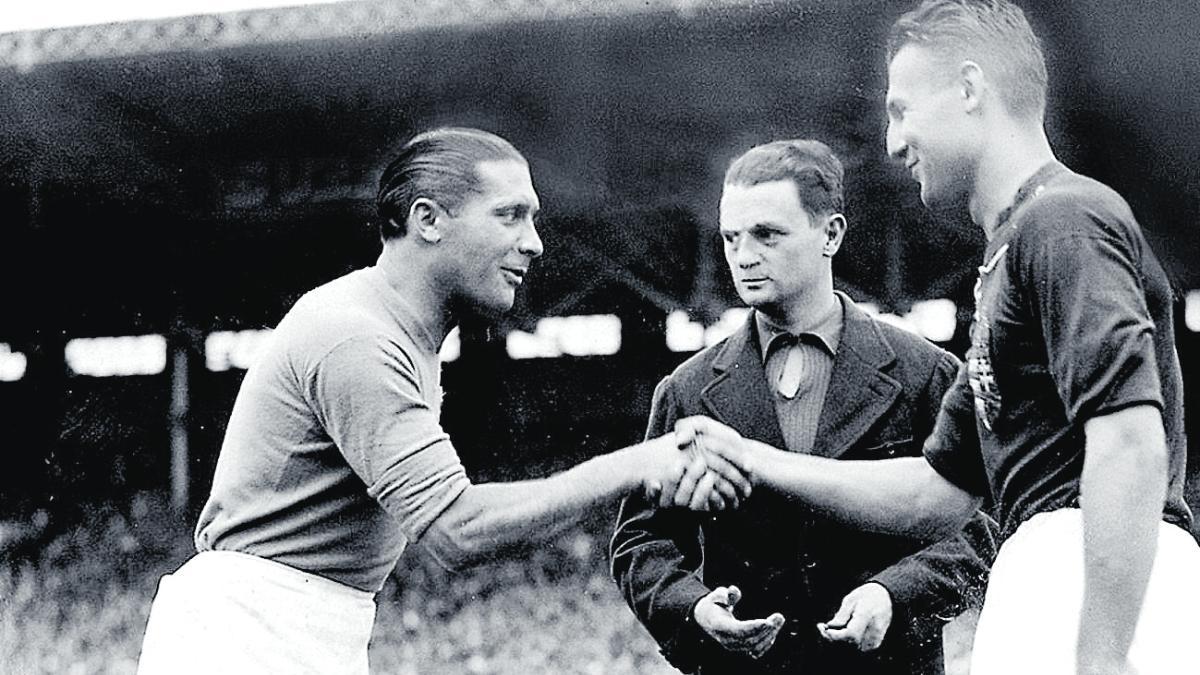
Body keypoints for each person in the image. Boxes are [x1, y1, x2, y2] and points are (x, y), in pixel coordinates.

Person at [681, 2, 1200, 674]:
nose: (894, 142)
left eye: (902, 110)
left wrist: (1099, 657)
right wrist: (756, 457)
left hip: (1096, 573)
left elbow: (1129, 440)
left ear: (969, 88)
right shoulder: (1011, 253)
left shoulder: (1064, 221)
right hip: (1052, 568)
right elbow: (937, 490)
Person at [135, 127, 748, 674]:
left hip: (294, 625)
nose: (533, 243)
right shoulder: (360, 337)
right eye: (509, 216)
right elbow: (457, 532)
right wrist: (636, 464)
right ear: (428, 221)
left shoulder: (397, 331)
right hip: (250, 636)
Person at [609, 138, 996, 674]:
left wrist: (894, 594)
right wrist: (693, 607)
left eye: (766, 234)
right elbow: (638, 540)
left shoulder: (925, 373)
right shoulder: (686, 390)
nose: (744, 256)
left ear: (831, 234)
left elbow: (983, 523)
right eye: (731, 238)